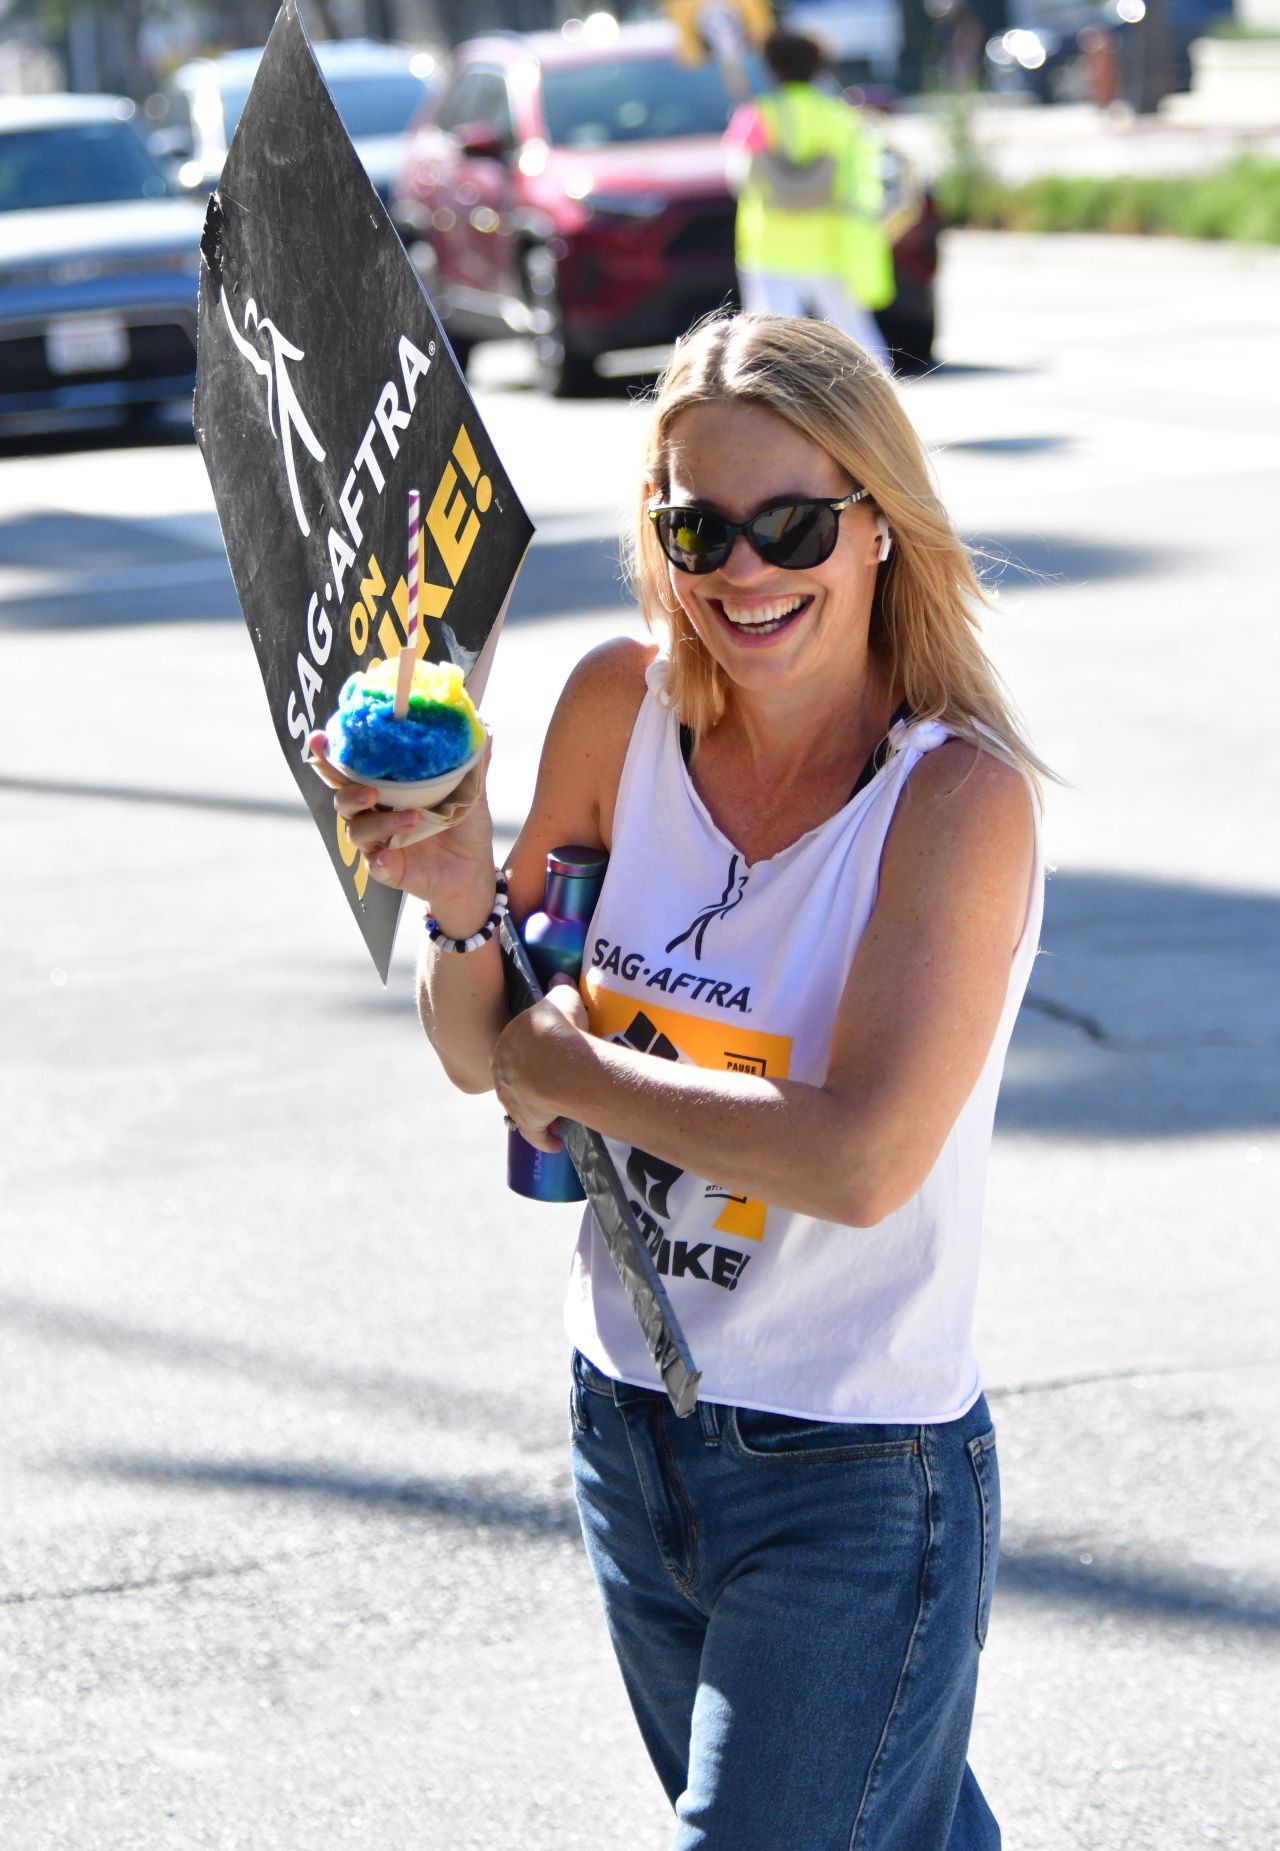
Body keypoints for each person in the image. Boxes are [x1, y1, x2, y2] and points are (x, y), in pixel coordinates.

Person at [311, 313, 1047, 1850]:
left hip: (854, 1460)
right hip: (630, 1420)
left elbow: (859, 1160)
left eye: (792, 523)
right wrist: (459, 895)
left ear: (879, 531)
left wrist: (577, 1065)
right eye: (697, 524)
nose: (742, 569)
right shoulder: (612, 709)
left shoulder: (954, 800)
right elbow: (477, 1046)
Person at [723, 29, 896, 368]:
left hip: (769, 243)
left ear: (771, 68)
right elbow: (861, 179)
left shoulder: (757, 114)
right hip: (830, 242)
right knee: (858, 340)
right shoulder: (840, 115)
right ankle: (885, 408)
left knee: (767, 347)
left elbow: (738, 178)